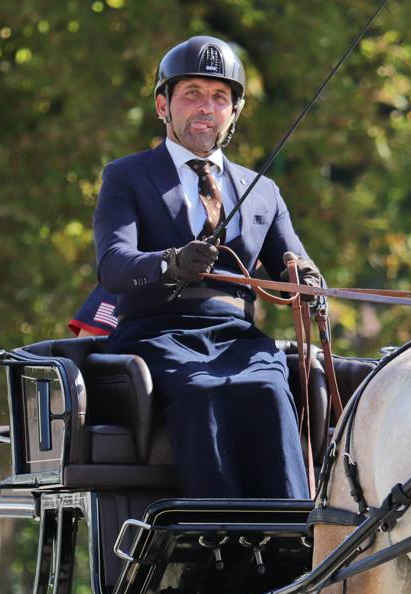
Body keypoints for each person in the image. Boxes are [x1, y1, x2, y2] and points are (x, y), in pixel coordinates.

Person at [92, 35, 322, 499]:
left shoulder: (263, 191)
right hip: (158, 334)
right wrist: (172, 263)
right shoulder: (127, 175)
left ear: (233, 112)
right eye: (192, 94)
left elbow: (293, 263)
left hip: (237, 336)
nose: (206, 107)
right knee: (201, 390)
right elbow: (113, 265)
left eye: (219, 97)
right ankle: (216, 531)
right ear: (163, 105)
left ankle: (292, 529)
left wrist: (307, 280)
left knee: (270, 389)